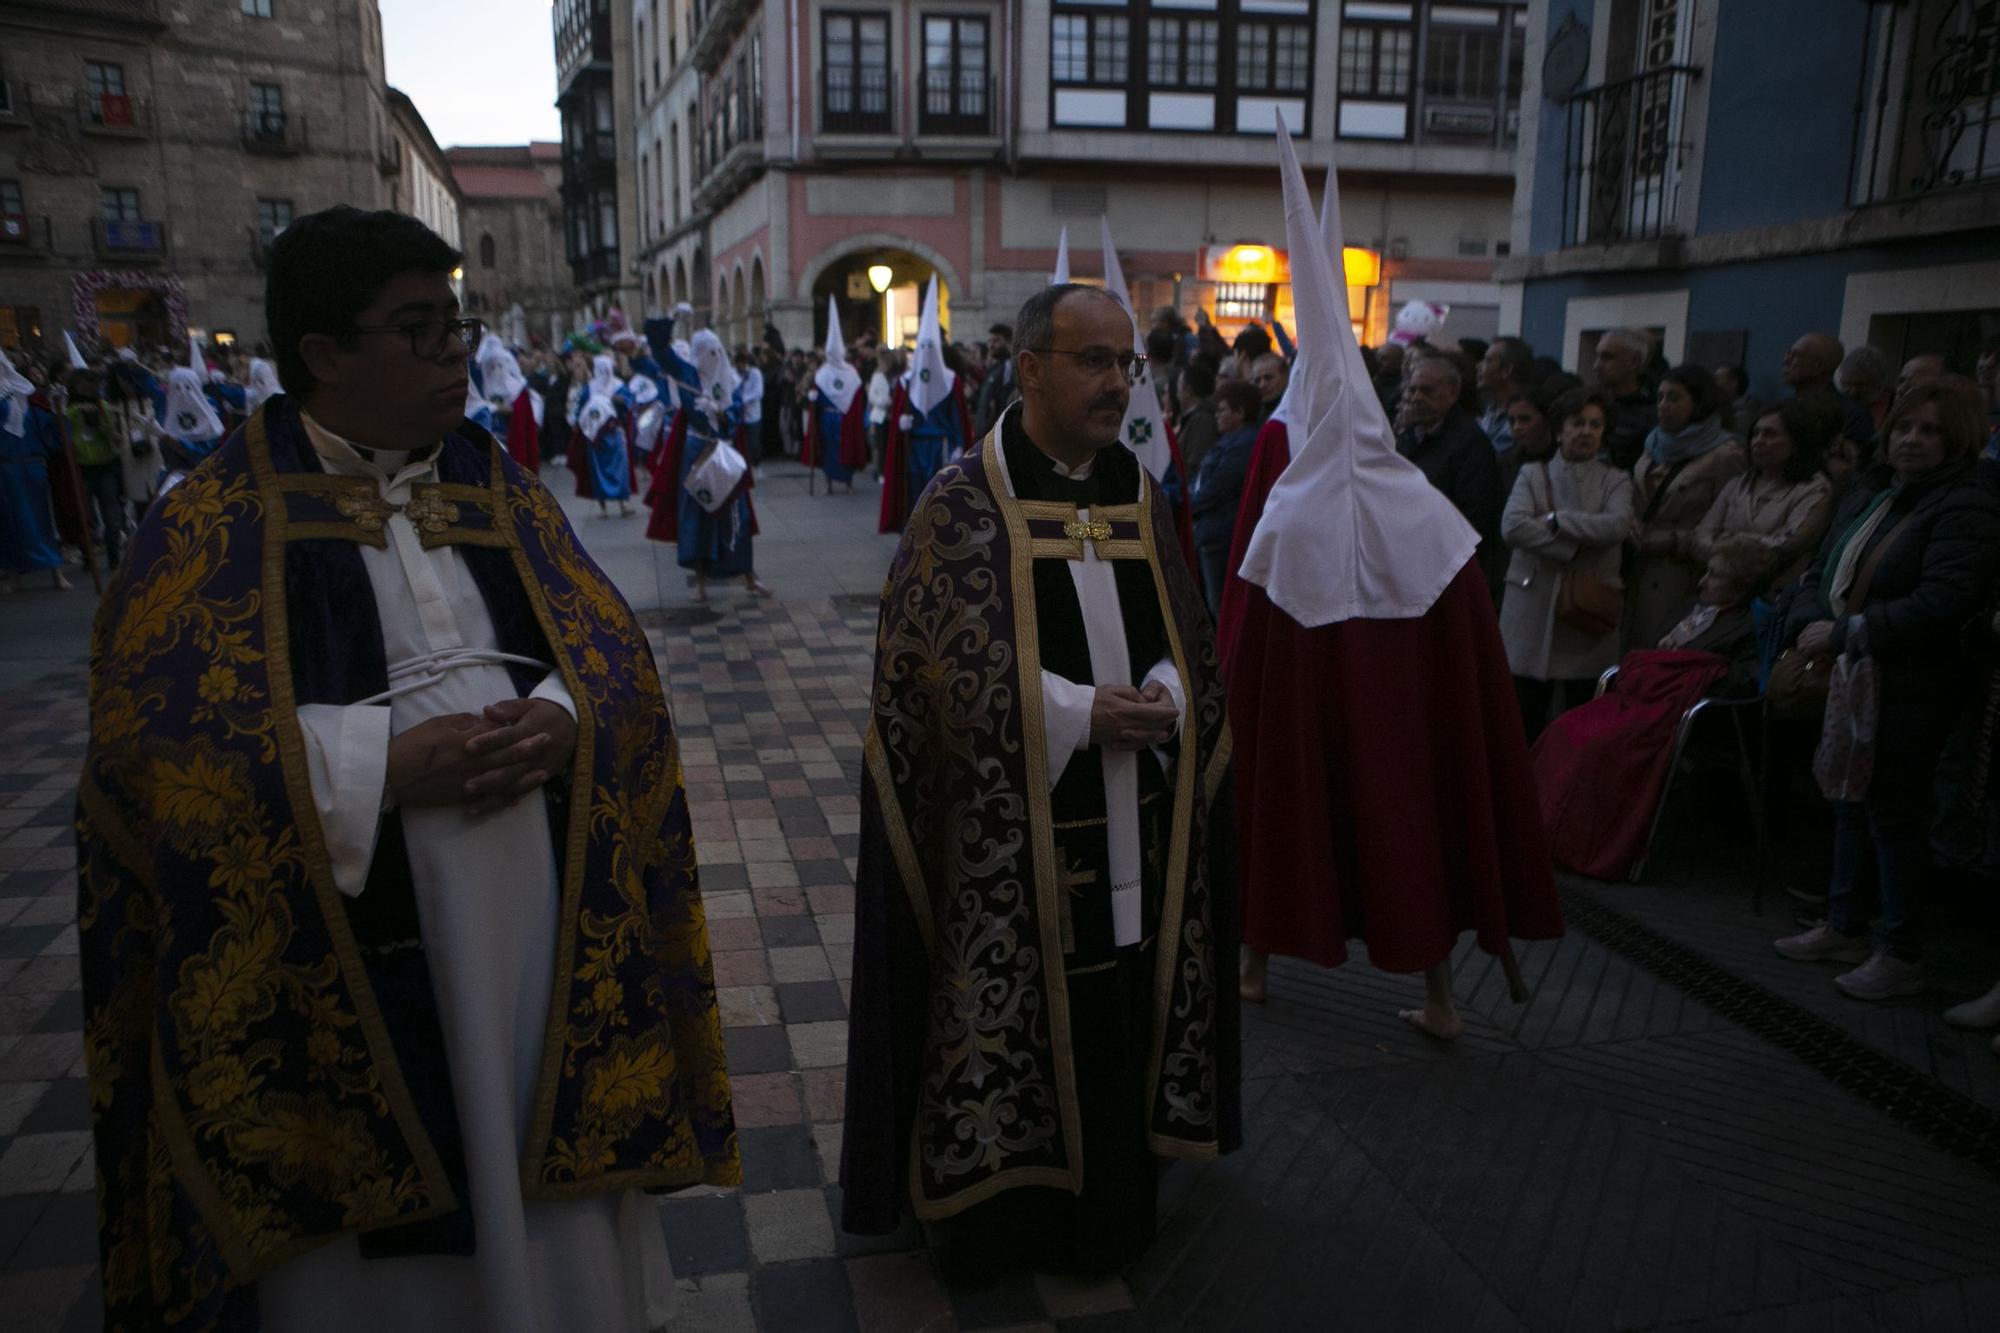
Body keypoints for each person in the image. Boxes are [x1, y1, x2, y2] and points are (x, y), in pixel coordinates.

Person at [77, 204, 736, 1331]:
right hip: (339, 938)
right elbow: (153, 756)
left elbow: (612, 660)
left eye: (456, 324)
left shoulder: (495, 481)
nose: (456, 353)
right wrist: (376, 766)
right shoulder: (212, 521)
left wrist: (565, 713)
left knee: (533, 1131)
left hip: (530, 920)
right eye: (421, 329)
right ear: (325, 355)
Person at [841, 281, 1238, 1277]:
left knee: (1118, 1005)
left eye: (1124, 363)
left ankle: (1112, 1210)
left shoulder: (1135, 492)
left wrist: (1161, 694)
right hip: (1006, 855)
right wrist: (1075, 713)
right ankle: (1001, 1222)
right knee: (1016, 1012)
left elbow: (1182, 639)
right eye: (1091, 361)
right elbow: (932, 687)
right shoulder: (960, 507)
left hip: (1127, 820)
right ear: (1026, 369)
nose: (1115, 383)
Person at [1223, 127, 1560, 1039]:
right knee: (1419, 824)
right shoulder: (1420, 503)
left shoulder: (1291, 514)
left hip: (1319, 722)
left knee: (1290, 809)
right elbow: (1468, 650)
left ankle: (1254, 963)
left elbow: (1250, 657)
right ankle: (1442, 997)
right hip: (1410, 723)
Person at [1773, 377, 2000, 999]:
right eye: (1903, 426)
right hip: (1855, 673)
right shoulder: (1878, 491)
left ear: (1958, 437)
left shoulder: (1967, 504)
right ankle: (1844, 923)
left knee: (1893, 810)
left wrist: (1848, 630)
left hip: (1914, 680)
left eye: (1929, 430)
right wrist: (1805, 621)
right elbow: (1824, 566)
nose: (1912, 440)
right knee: (1848, 797)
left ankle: (1900, 948)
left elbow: (1943, 601)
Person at [1499, 388, 1637, 741]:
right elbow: (1513, 526)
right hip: (1533, 604)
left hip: (1588, 611)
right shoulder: (1533, 473)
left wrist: (1557, 520)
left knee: (1583, 715)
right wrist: (1571, 551)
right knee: (1523, 714)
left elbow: (1617, 526)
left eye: (1595, 425)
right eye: (1577, 423)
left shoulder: (1616, 479)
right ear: (1559, 431)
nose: (1586, 432)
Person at [645, 322, 772, 602]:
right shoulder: (688, 375)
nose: (711, 357)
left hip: (724, 452)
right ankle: (700, 581)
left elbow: (734, 412)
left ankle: (748, 575)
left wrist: (722, 413)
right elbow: (663, 355)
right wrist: (663, 326)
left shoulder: (729, 380)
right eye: (705, 352)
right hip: (696, 450)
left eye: (715, 351)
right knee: (696, 515)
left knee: (737, 514)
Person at [1626, 364, 1747, 650]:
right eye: (1660, 397)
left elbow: (1729, 522)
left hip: (1682, 571)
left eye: (1674, 397)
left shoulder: (1725, 454)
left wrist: (1673, 540)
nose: (1664, 406)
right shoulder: (1653, 443)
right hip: (1637, 564)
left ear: (1698, 402)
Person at [1685, 396, 1835, 586]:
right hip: (1719, 587)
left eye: (1770, 435)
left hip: (1772, 593)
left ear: (1795, 442)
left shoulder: (1815, 489)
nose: (1758, 441)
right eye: (1755, 434)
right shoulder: (1738, 484)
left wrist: (1729, 542)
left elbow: (1789, 543)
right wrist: (1733, 548)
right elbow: (1700, 536)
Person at [1395, 353, 1505, 596]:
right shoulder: (1408, 435)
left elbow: (1477, 512)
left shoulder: (1470, 443)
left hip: (1445, 567)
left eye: (1427, 391)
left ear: (1452, 393)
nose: (1416, 398)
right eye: (1412, 390)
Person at [879, 277, 972, 535]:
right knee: (915, 492)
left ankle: (940, 533)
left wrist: (958, 444)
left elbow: (956, 416)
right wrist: (900, 425)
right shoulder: (906, 382)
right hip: (915, 446)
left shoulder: (949, 381)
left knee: (940, 495)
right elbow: (897, 414)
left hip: (940, 445)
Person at [0, 350, 71, 593]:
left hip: (32, 465)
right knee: (10, 522)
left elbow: (52, 432)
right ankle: (14, 574)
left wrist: (58, 411)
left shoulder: (30, 397)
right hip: (6, 467)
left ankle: (56, 572)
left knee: (42, 518)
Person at [1190, 379, 1262, 612]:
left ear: (1239, 412)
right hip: (1212, 533)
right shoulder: (1229, 440)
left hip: (1221, 536)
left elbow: (1218, 487)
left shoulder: (1243, 444)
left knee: (1220, 606)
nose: (1217, 416)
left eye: (1222, 410)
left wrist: (1187, 506)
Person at [801, 297, 868, 491]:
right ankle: (829, 481)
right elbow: (818, 395)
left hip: (845, 418)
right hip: (828, 418)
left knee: (846, 448)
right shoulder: (822, 373)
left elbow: (856, 397)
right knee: (830, 450)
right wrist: (814, 398)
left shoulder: (851, 373)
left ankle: (847, 481)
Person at [1782, 331, 1876, 449]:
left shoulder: (1852, 416)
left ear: (1818, 367)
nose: (1786, 360)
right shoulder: (1785, 408)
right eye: (1788, 353)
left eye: (1795, 355)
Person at [576, 356, 634, 515]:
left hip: (615, 432)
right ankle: (603, 506)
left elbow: (630, 402)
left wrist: (619, 400)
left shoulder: (619, 386)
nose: (604, 373)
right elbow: (580, 409)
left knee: (620, 467)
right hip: (596, 436)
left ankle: (623, 503)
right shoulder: (589, 388)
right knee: (597, 469)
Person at [1478, 336, 1535, 455]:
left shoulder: (1528, 413)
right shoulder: (1491, 409)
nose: (1479, 366)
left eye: (1488, 360)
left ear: (1506, 370)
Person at [1176, 358, 1219, 476]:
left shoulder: (1202, 421)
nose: (1177, 394)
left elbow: (1194, 464)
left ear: (1188, 390)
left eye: (1179, 387)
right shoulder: (1193, 418)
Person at [865, 346, 895, 477]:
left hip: (891, 416)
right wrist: (885, 402)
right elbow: (872, 396)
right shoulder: (877, 376)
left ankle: (888, 470)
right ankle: (880, 471)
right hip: (880, 415)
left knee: (889, 445)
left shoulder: (893, 377)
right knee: (880, 445)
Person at [734, 345, 764, 465]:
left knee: (754, 442)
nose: (739, 367)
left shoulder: (755, 373)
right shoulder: (735, 374)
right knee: (741, 442)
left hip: (753, 414)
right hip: (739, 414)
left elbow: (758, 393)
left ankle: (756, 463)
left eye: (741, 364)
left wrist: (743, 400)